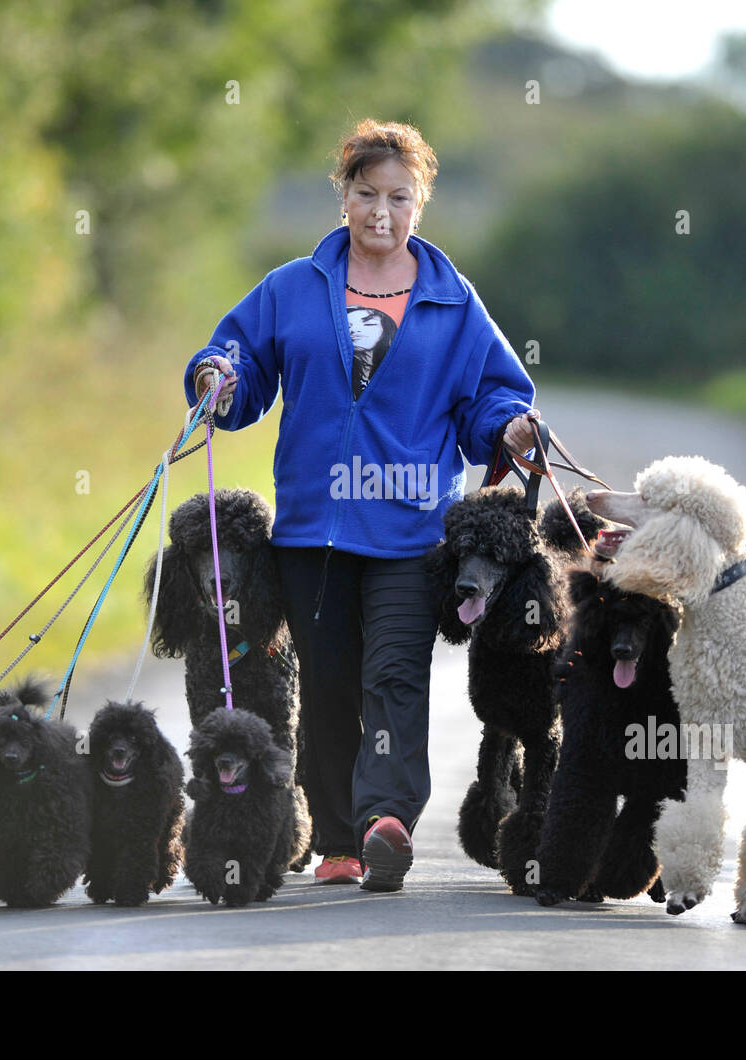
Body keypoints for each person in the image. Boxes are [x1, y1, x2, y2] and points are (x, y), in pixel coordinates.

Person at [184, 119, 540, 892]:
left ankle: (387, 821)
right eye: (366, 193)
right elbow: (240, 362)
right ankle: (339, 839)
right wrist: (218, 375)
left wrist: (509, 426)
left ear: (421, 203)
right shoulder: (291, 288)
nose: (381, 212)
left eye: (399, 198)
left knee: (395, 679)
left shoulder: (453, 301)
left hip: (409, 529)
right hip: (313, 530)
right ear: (343, 194)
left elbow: (493, 396)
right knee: (331, 683)